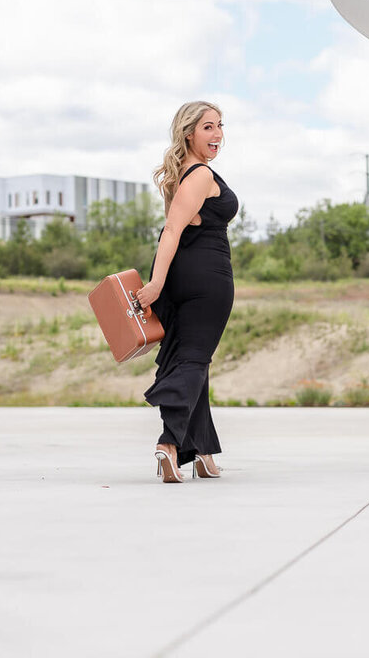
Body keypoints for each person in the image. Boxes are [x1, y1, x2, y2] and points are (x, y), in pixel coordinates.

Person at [134, 101, 238, 483]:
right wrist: (156, 283)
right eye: (208, 127)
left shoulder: (190, 174)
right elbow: (171, 231)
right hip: (206, 279)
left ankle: (204, 453)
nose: (217, 135)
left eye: (220, 126)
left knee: (193, 358)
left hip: (188, 276)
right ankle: (169, 443)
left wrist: (163, 281)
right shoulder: (198, 176)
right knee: (193, 361)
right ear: (189, 133)